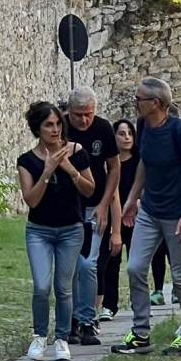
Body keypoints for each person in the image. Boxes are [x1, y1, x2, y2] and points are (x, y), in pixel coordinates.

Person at [112, 77, 181, 356]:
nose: (135, 103)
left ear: (156, 103)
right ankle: (140, 334)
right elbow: (144, 163)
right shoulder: (143, 126)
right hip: (149, 211)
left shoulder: (180, 131)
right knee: (135, 267)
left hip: (177, 214)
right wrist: (131, 199)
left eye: (139, 99)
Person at [16, 102, 94, 361]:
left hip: (71, 230)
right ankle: (39, 336)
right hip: (39, 231)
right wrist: (47, 171)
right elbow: (32, 200)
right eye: (49, 124)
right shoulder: (26, 161)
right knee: (41, 286)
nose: (55, 129)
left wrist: (70, 169)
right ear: (37, 128)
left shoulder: (77, 153)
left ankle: (61, 338)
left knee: (64, 288)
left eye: (58, 124)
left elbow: (89, 189)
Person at [64, 87, 120, 346]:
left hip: (94, 207)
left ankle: (88, 319)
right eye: (78, 115)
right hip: (67, 207)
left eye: (88, 114)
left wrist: (105, 204)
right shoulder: (60, 128)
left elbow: (114, 168)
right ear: (69, 112)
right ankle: (71, 319)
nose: (83, 120)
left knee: (88, 264)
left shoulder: (103, 129)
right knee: (71, 266)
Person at [99, 118, 138, 320]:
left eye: (130, 133)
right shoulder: (108, 164)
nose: (127, 137)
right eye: (122, 133)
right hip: (113, 218)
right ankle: (109, 305)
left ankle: (138, 303)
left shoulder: (139, 161)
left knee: (136, 263)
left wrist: (138, 203)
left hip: (135, 219)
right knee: (110, 262)